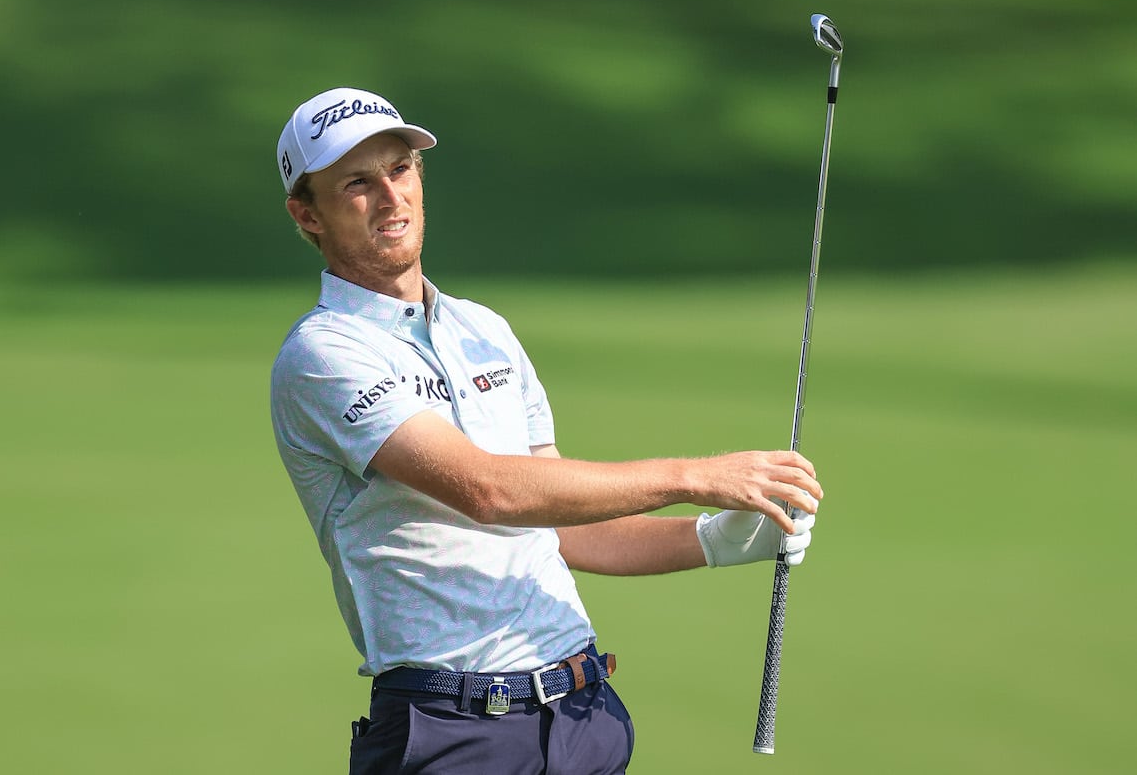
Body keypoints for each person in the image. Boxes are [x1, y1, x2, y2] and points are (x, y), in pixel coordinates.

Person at [269, 87, 823, 775]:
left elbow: (555, 524)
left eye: (400, 169)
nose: (390, 196)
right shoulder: (324, 353)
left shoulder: (484, 329)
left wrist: (711, 539)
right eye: (357, 182)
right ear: (307, 213)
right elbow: (489, 490)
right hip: (455, 734)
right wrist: (695, 477)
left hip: (584, 718)